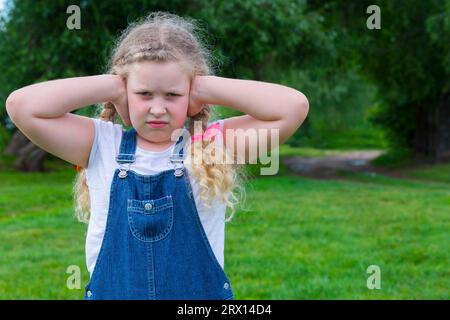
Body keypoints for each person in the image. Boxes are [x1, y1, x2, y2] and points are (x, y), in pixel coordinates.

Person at [5, 11, 309, 300]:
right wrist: (113, 84)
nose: (158, 108)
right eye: (144, 94)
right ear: (125, 93)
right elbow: (22, 106)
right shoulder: (101, 144)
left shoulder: (212, 145)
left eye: (173, 95)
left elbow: (292, 108)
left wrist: (202, 85)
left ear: (191, 95)